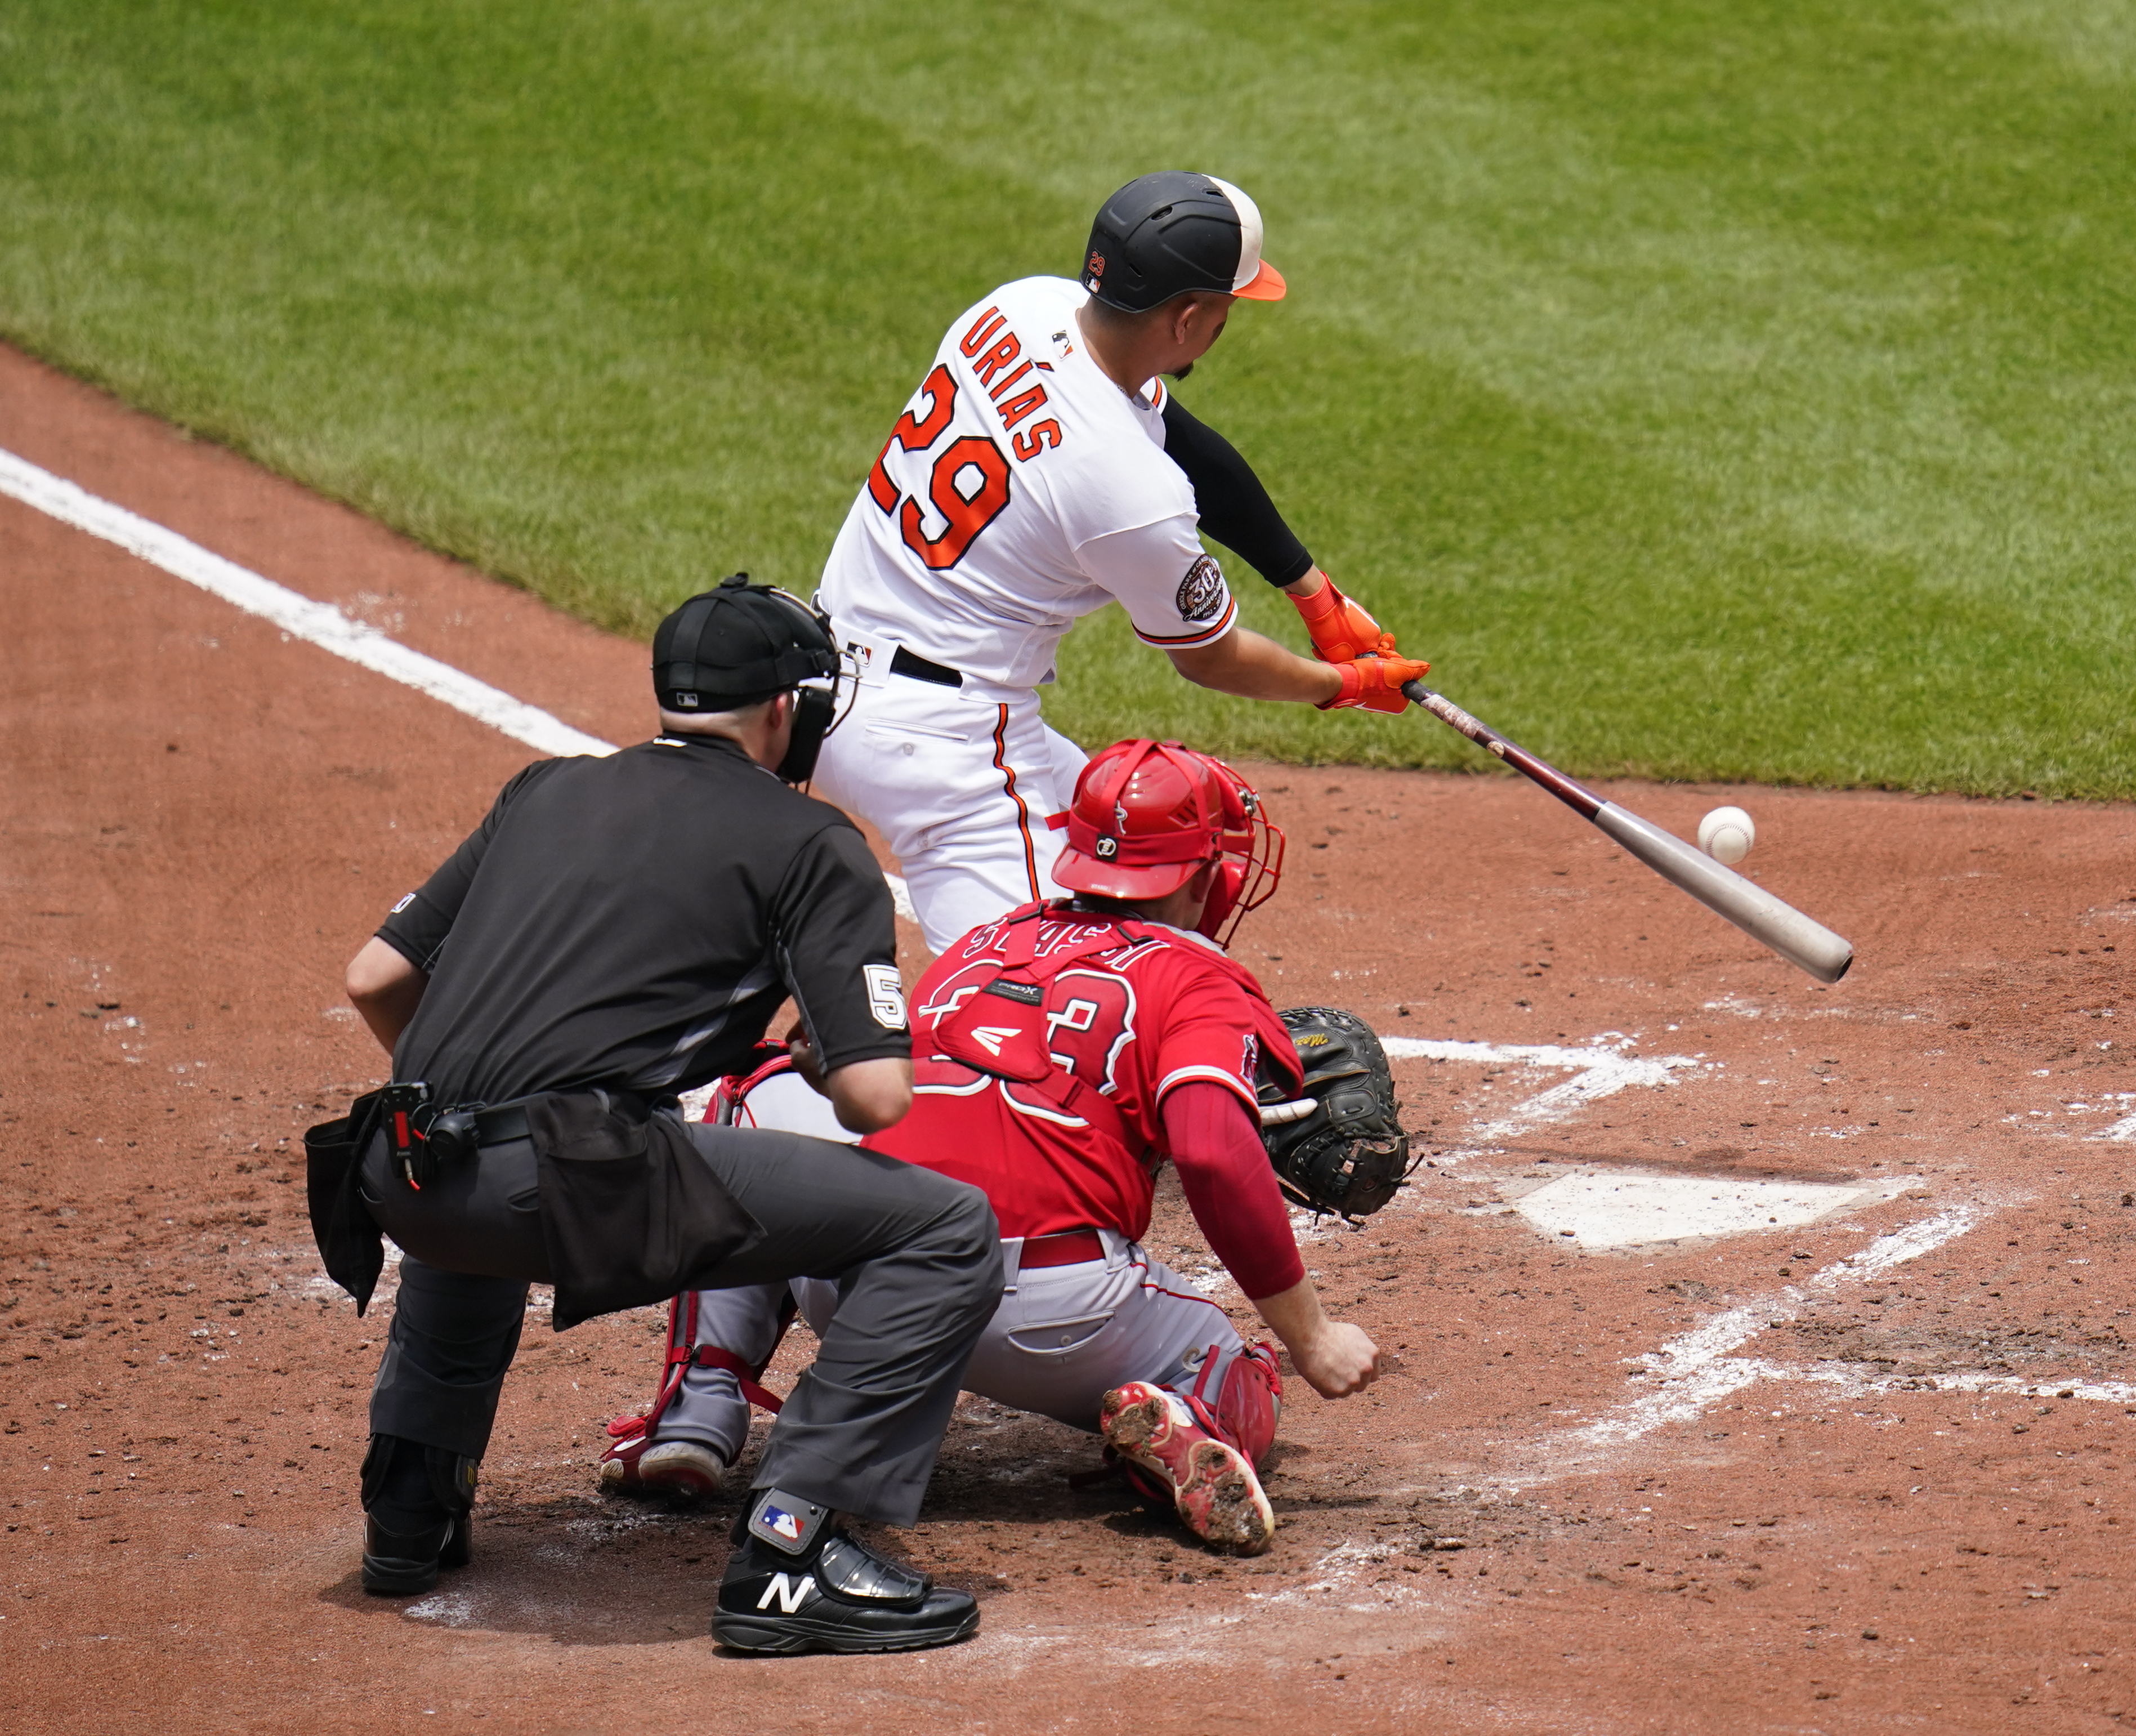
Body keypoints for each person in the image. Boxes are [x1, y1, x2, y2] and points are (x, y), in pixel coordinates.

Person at [329, 575, 1002, 1654]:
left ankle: (408, 1512)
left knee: (482, 1146)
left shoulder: (541, 788)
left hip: (397, 1170)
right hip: (560, 1182)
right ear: (786, 709)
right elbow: (879, 1101)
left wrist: (476, 1103)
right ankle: (793, 1549)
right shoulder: (811, 842)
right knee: (947, 1229)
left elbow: (374, 978)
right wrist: (829, 1054)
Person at [601, 738, 1384, 1554]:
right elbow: (1215, 1153)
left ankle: (697, 1413)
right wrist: (1313, 1339)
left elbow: (848, 1062)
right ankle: (1186, 1415)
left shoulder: (976, 948)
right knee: (1231, 1358)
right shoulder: (1198, 978)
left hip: (861, 1288)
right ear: (1197, 878)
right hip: (1058, 1322)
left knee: (752, 1101)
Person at [808, 169, 1430, 950]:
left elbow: (1190, 443)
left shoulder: (1020, 307)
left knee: (1141, 846)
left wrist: (1314, 594)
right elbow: (1213, 660)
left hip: (820, 668)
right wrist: (1341, 685)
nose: (1228, 323)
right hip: (945, 748)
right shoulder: (1131, 494)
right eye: (1228, 309)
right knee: (1031, 998)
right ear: (1190, 316)